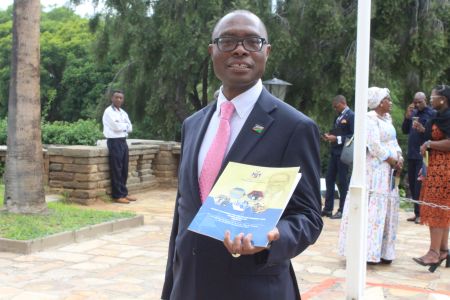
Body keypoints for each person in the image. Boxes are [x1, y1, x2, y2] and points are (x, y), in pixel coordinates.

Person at [162, 10, 323, 300]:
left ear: (267, 51)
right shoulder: (193, 124)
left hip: (253, 287)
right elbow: (183, 213)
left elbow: (309, 216)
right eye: (228, 41)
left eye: (252, 41)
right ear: (212, 50)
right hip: (189, 285)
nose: (240, 49)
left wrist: (274, 237)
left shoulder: (294, 127)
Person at [338, 87, 403, 264]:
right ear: (379, 102)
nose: (390, 102)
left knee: (385, 209)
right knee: (372, 209)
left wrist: (400, 157)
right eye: (388, 99)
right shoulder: (368, 119)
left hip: (388, 170)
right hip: (374, 171)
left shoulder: (387, 119)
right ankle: (367, 252)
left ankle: (383, 251)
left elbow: (393, 142)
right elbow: (374, 145)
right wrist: (391, 160)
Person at [412, 84, 450, 272]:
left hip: (444, 169)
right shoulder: (437, 116)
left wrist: (429, 143)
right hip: (434, 166)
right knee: (441, 210)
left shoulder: (448, 116)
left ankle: (433, 253)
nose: (431, 99)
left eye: (433, 96)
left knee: (436, 210)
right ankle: (443, 250)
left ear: (443, 99)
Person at [401, 92, 435, 224]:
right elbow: (404, 130)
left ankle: (422, 214)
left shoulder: (431, 113)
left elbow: (434, 134)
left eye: (419, 102)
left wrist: (423, 129)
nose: (417, 104)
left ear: (425, 100)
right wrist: (407, 117)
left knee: (420, 185)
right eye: (415, 102)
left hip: (423, 155)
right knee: (412, 184)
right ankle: (416, 213)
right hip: (411, 154)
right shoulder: (413, 113)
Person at [322, 95, 354, 219]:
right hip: (335, 151)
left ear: (342, 103)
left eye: (336, 106)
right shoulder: (338, 116)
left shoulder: (351, 116)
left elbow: (353, 134)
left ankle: (342, 209)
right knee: (329, 178)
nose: (335, 109)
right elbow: (338, 131)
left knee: (342, 181)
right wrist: (330, 136)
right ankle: (328, 209)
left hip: (344, 153)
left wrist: (337, 139)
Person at [102, 90, 137, 204]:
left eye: (121, 98)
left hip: (123, 141)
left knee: (124, 168)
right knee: (116, 168)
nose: (118, 100)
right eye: (116, 97)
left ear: (123, 100)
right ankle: (117, 195)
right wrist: (124, 126)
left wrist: (123, 126)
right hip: (114, 141)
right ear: (112, 98)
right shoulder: (108, 112)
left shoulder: (122, 112)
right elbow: (116, 127)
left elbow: (130, 127)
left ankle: (124, 193)